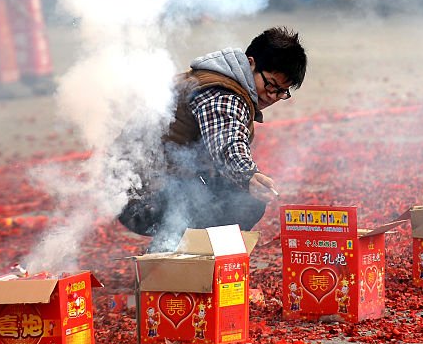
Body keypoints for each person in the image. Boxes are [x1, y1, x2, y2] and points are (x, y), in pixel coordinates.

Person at [118, 26, 307, 248]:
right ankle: (174, 253)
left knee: (227, 190)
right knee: (246, 201)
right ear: (251, 63)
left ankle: (181, 250)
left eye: (282, 92)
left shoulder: (213, 80)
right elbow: (227, 140)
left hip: (137, 185)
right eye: (271, 85)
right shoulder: (223, 93)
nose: (273, 96)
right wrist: (247, 174)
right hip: (141, 196)